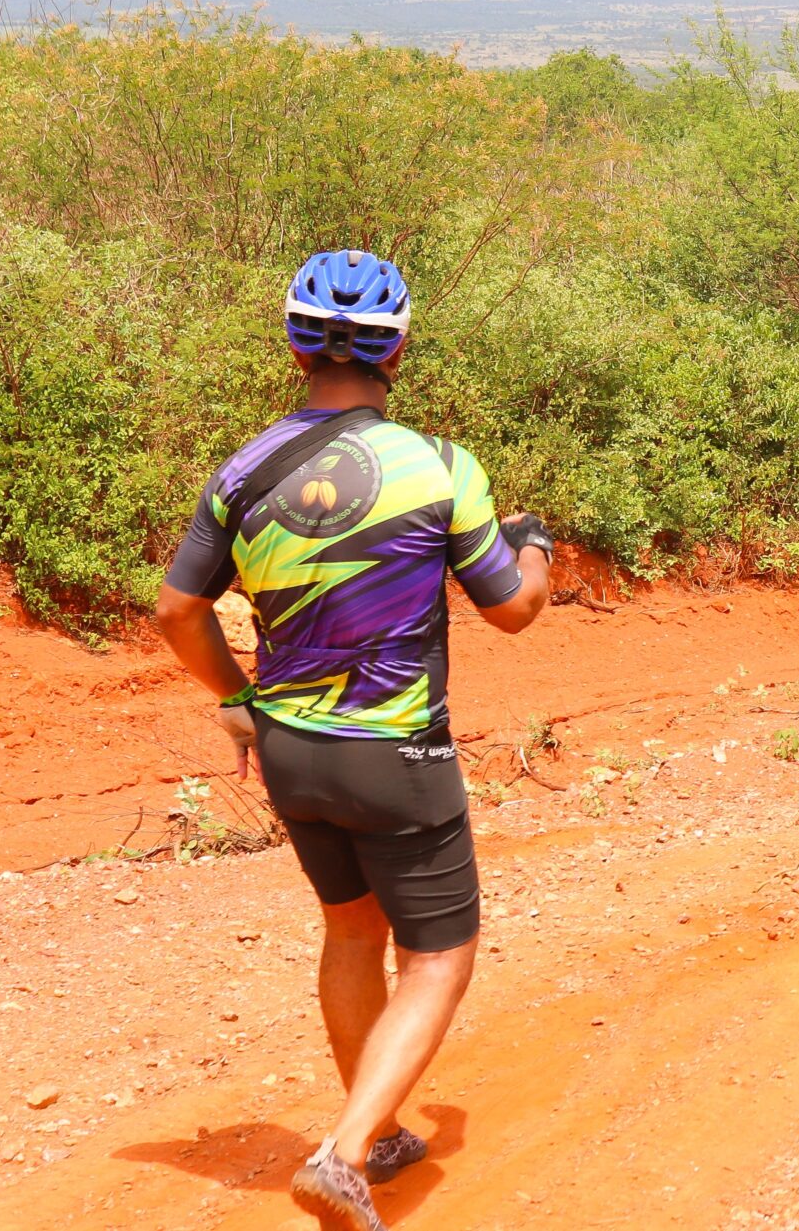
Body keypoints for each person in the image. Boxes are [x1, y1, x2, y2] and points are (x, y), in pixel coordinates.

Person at [153, 250, 552, 1231]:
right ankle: (341, 1155)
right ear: (397, 352)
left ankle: (376, 1135)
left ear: (295, 348)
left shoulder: (239, 474)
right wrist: (534, 545)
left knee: (351, 929)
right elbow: (513, 609)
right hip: (398, 753)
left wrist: (238, 695)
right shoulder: (441, 468)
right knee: (440, 957)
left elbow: (176, 611)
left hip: (290, 752)